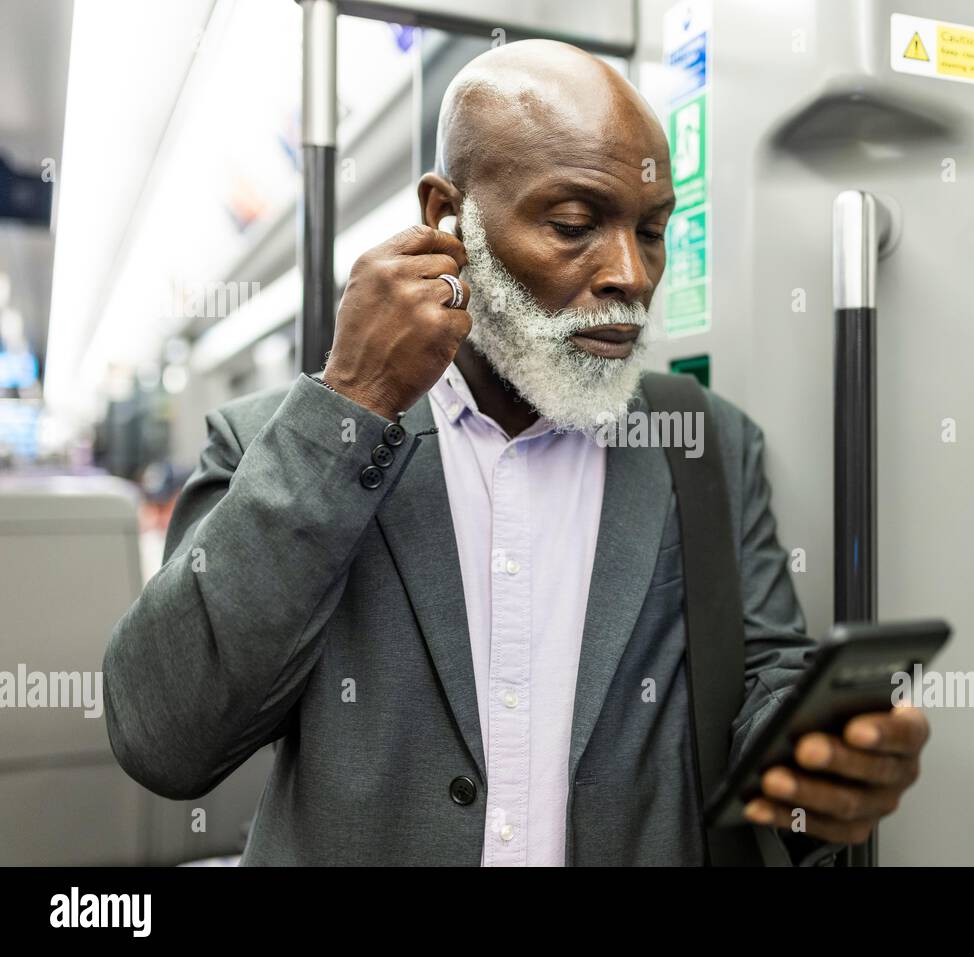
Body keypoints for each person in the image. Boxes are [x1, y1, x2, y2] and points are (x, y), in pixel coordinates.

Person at [103, 38, 929, 866]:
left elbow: (759, 674)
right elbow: (167, 735)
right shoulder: (283, 443)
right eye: (574, 225)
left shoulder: (701, 443)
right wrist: (352, 400)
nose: (630, 274)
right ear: (446, 218)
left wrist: (816, 765)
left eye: (651, 231)